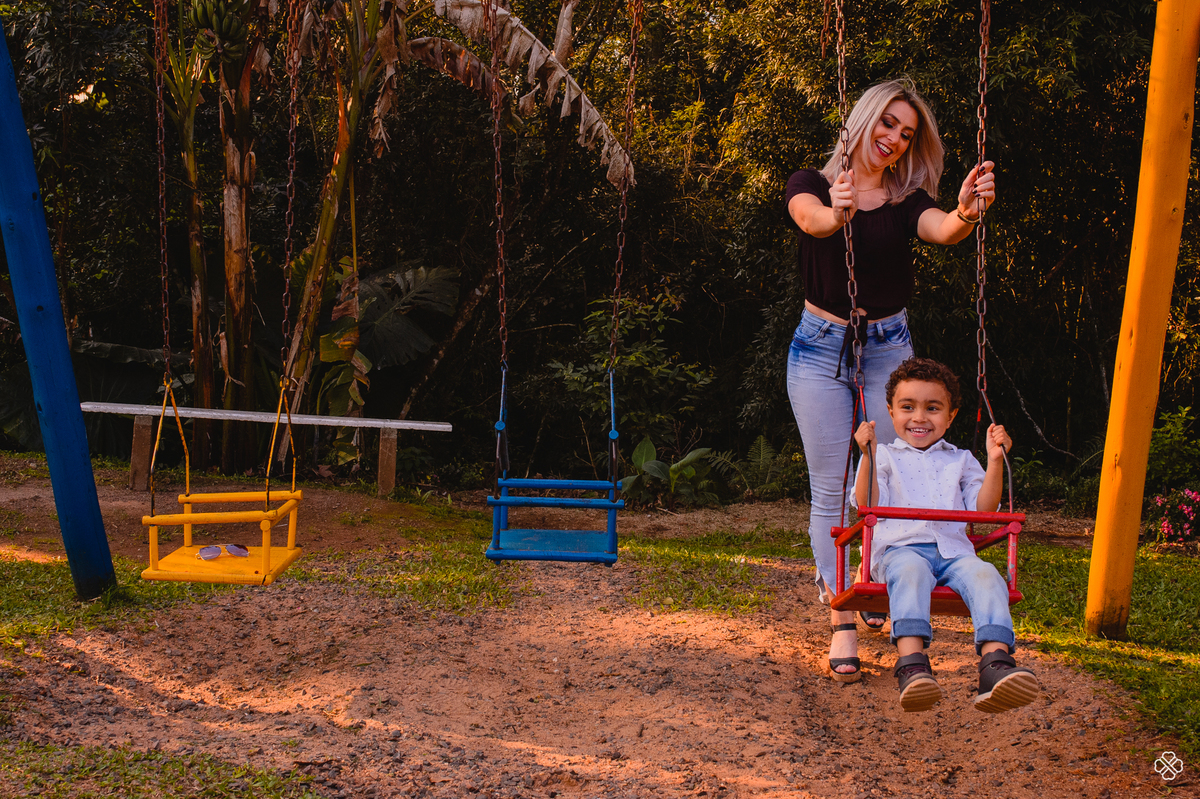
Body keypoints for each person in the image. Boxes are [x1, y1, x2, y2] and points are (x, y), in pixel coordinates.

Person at [784, 77, 996, 682]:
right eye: (888, 125)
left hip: (886, 348)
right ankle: (843, 621)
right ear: (864, 119)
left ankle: (877, 582)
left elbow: (944, 230)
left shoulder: (907, 202)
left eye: (907, 135)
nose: (895, 140)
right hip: (819, 347)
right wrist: (837, 210)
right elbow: (812, 221)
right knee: (830, 486)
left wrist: (965, 210)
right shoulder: (812, 184)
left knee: (891, 472)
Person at [853, 358, 1039, 712]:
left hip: (953, 552)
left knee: (986, 574)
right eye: (908, 407)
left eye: (933, 408)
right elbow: (867, 503)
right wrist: (867, 455)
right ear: (891, 412)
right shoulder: (885, 456)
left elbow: (984, 510)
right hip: (900, 550)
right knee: (912, 571)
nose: (920, 417)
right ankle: (912, 666)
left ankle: (995, 665)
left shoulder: (962, 459)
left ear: (950, 416)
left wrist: (995, 461)